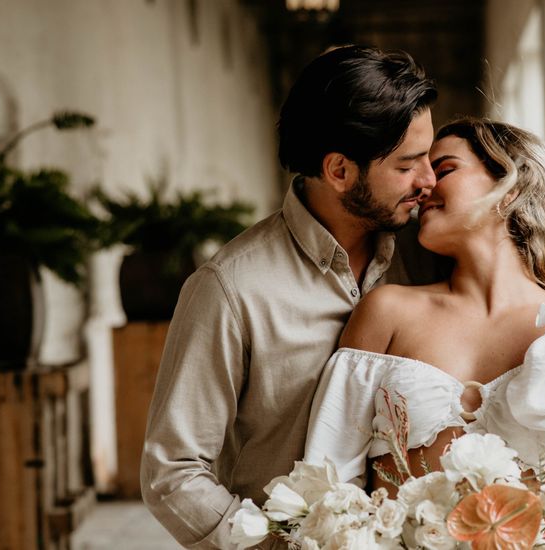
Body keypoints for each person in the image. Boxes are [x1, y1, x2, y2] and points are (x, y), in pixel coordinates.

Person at [140, 45, 444, 549]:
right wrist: (271, 545)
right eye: (408, 165)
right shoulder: (230, 288)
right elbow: (171, 472)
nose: (428, 181)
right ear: (340, 171)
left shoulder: (429, 257)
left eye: (430, 158)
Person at [304, 118, 545, 491]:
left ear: (511, 187)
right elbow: (328, 476)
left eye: (444, 169)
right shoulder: (388, 311)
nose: (425, 185)